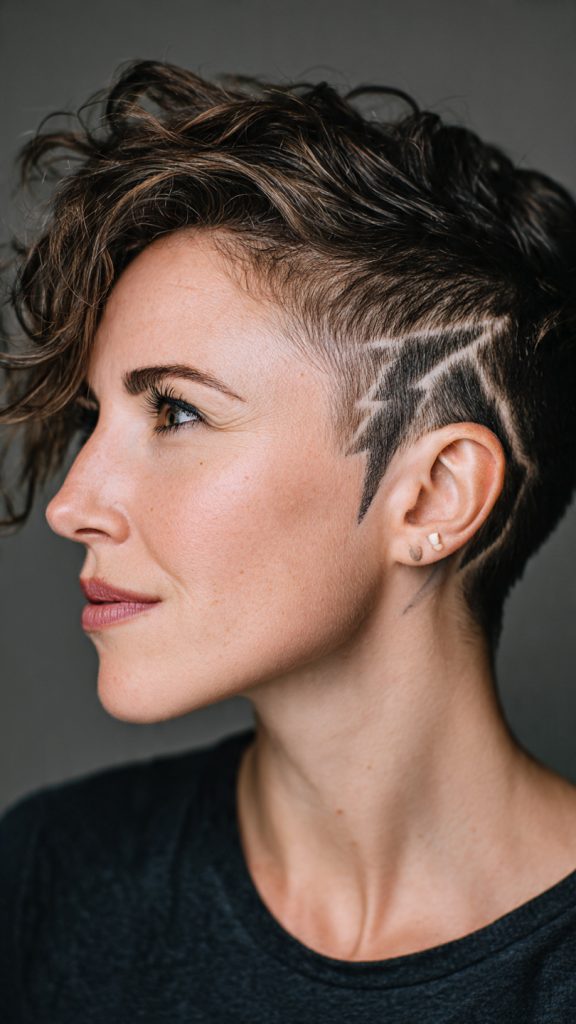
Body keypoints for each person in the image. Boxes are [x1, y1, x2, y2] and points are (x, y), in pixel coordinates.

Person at [0, 58, 575, 1022]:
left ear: (433, 496)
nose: (73, 504)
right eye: (96, 418)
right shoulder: (49, 882)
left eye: (176, 411)